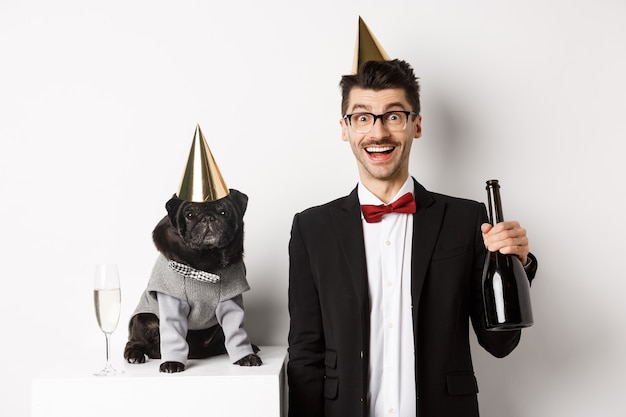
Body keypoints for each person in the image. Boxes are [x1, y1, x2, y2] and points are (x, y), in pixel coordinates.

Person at [287, 59, 537, 417]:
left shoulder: (467, 220)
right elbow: (304, 354)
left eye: (393, 116)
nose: (378, 133)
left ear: (415, 125)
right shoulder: (311, 229)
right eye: (362, 117)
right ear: (345, 129)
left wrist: (518, 263)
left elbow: (501, 342)